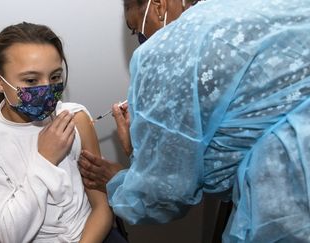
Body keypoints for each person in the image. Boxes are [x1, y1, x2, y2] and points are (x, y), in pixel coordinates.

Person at [78, 0, 310, 241]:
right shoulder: (247, 9)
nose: (142, 37)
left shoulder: (169, 49)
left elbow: (162, 195)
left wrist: (124, 172)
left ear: (158, 5)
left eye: (136, 27)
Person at [0, 22, 123, 243]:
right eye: (31, 80)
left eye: (55, 77)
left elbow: (102, 208)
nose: (47, 89)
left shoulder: (75, 118)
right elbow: (10, 236)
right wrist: (45, 160)